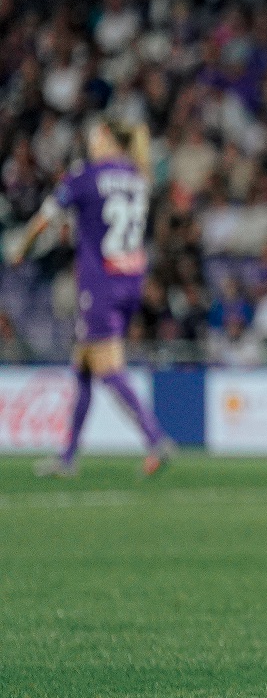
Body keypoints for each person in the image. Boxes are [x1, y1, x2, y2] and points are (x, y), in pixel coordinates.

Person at [7, 118, 172, 478]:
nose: (91, 141)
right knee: (83, 365)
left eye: (95, 135)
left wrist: (21, 247)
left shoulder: (86, 175)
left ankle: (156, 439)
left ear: (107, 137)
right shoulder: (138, 176)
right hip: (131, 280)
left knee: (107, 368)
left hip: (100, 284)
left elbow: (46, 217)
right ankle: (67, 458)